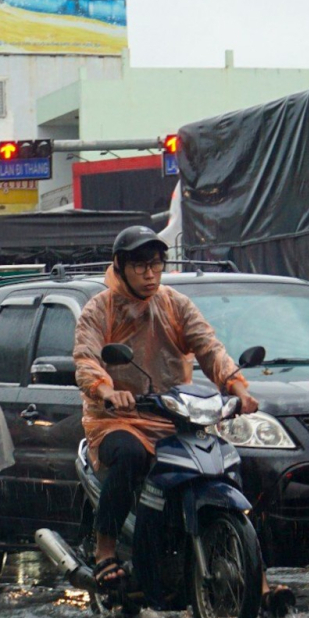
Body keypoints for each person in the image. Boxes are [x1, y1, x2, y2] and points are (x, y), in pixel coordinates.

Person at [72, 225, 261, 596]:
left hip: (174, 416)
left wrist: (236, 386)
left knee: (233, 465)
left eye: (156, 264)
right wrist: (108, 391)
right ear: (120, 266)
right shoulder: (100, 308)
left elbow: (208, 347)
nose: (150, 273)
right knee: (128, 457)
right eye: (141, 265)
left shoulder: (175, 304)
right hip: (115, 419)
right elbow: (86, 359)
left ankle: (259, 578)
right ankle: (105, 550)